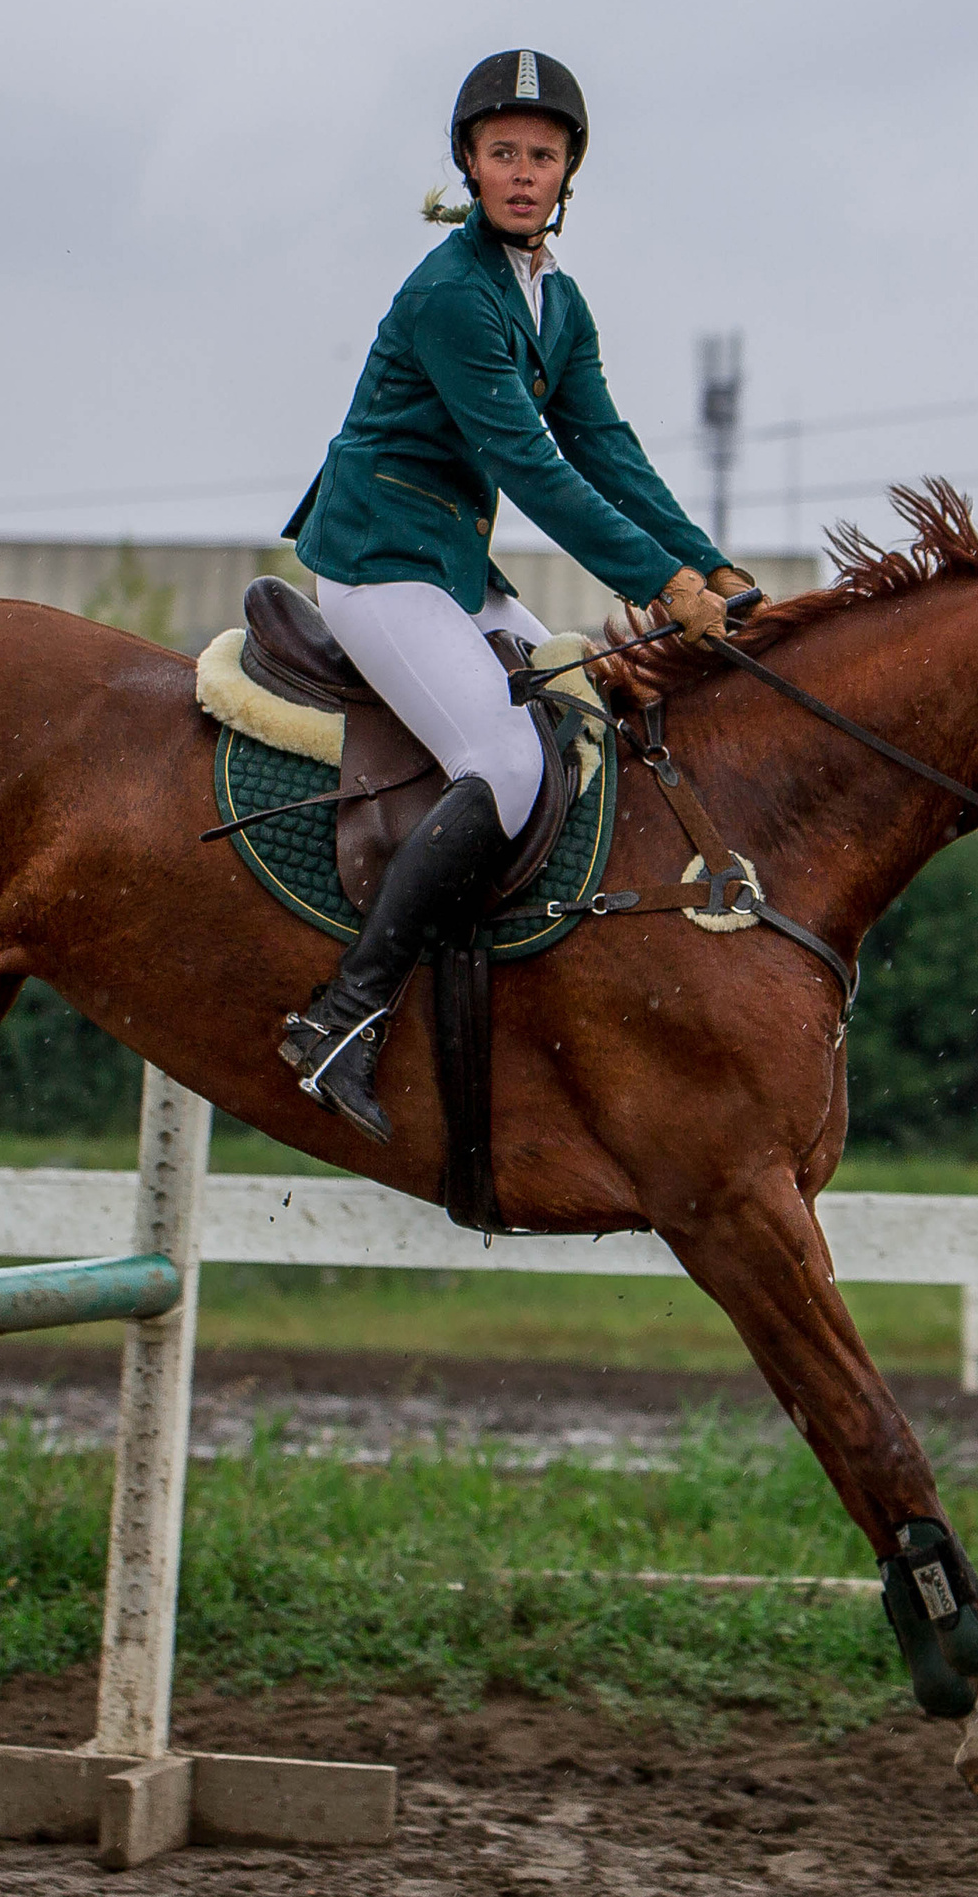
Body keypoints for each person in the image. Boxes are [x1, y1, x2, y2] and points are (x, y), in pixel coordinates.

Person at [279, 47, 757, 1143]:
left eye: (541, 155)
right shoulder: (451, 295)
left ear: (567, 172)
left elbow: (606, 447)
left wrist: (709, 566)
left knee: (577, 719)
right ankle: (342, 1019)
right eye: (503, 154)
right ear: (469, 163)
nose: (523, 172)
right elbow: (535, 468)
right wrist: (657, 583)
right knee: (500, 760)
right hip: (375, 562)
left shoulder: (554, 298)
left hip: (450, 563)